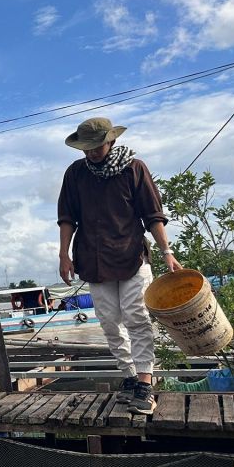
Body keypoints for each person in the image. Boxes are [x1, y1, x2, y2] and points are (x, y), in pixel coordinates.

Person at [58, 117, 183, 415]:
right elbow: (67, 218)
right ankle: (128, 377)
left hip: (131, 256)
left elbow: (153, 215)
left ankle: (144, 382)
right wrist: (64, 254)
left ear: (110, 141)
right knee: (109, 321)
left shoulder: (134, 168)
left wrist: (167, 252)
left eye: (96, 146)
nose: (91, 152)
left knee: (137, 316)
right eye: (86, 148)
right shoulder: (75, 173)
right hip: (93, 258)